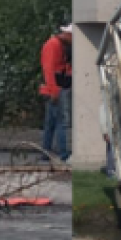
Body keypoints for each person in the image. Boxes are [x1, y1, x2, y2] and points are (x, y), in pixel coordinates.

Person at [39, 23, 73, 161]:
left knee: (51, 123)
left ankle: (46, 152)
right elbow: (49, 69)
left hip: (57, 87)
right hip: (55, 88)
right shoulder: (53, 45)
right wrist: (54, 90)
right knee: (61, 122)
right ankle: (63, 153)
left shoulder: (61, 45)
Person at [99, 99, 116, 179]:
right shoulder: (104, 105)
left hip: (116, 129)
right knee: (110, 151)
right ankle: (110, 171)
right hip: (109, 130)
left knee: (114, 150)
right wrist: (105, 132)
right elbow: (102, 119)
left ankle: (114, 169)